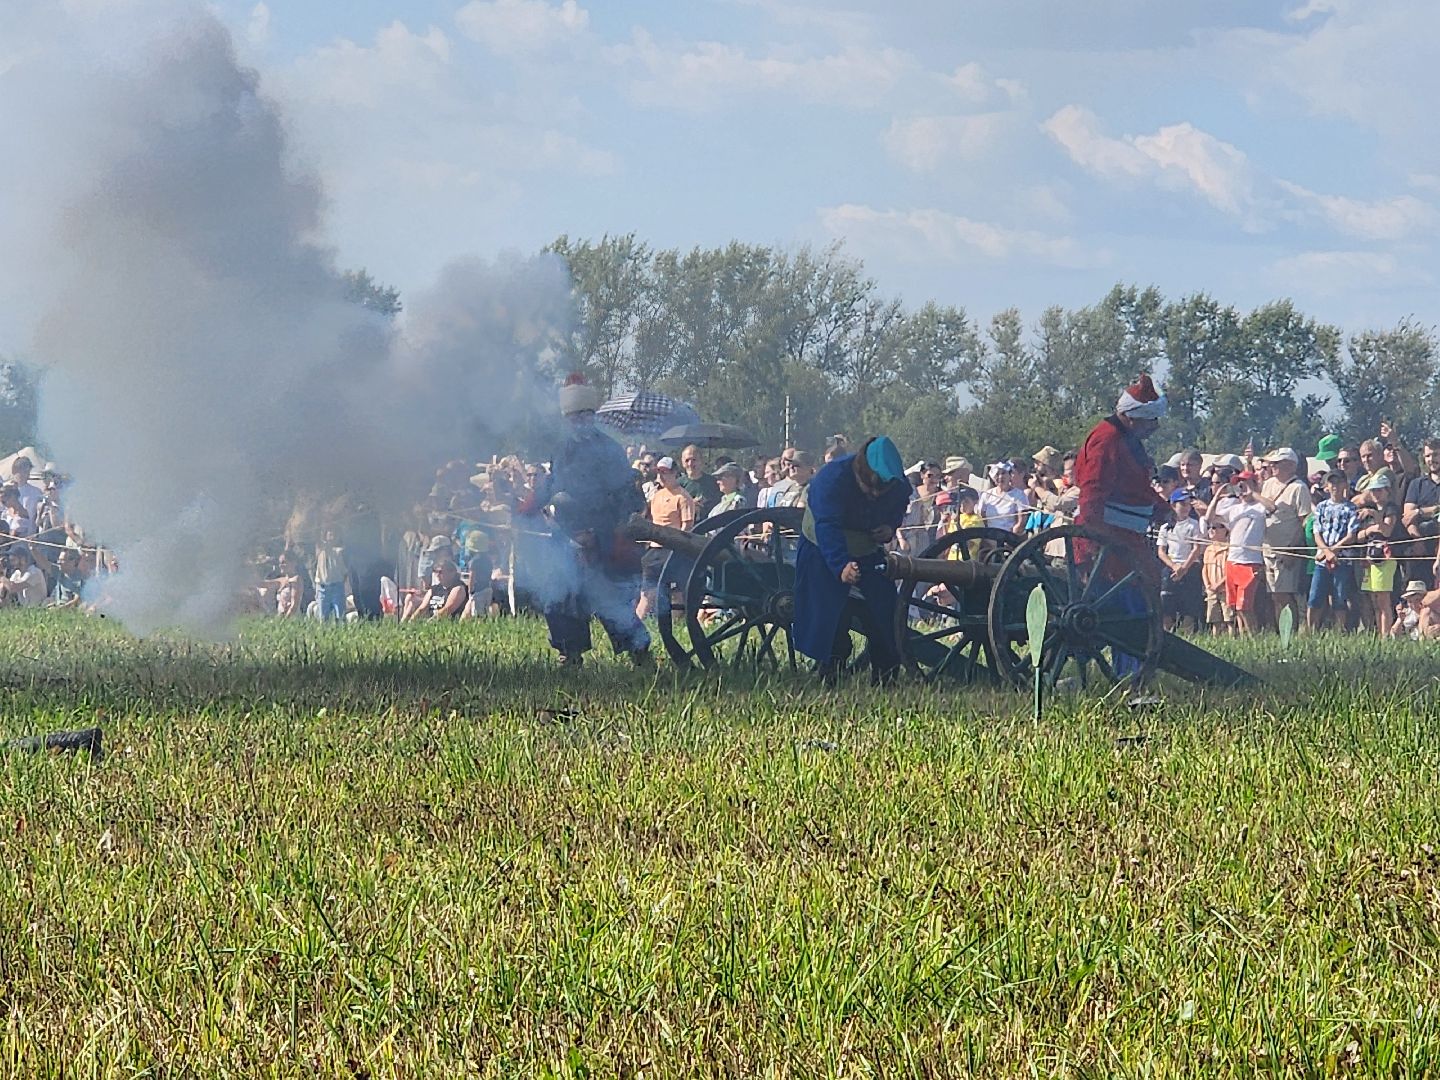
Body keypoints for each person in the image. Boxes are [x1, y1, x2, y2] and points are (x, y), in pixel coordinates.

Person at [538, 374, 652, 667]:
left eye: (585, 415)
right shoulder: (561, 449)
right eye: (575, 417)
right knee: (561, 596)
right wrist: (527, 507)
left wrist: (598, 531)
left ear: (592, 416)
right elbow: (552, 487)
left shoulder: (610, 450)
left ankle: (639, 651)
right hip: (566, 533)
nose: (580, 421)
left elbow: (625, 495)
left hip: (601, 535)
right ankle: (570, 652)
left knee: (607, 598)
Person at [1073, 374, 1172, 678]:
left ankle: (1127, 666)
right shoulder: (1106, 441)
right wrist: (1094, 542)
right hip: (1110, 544)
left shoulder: (1124, 440)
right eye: (1150, 421)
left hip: (1123, 539)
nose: (1154, 428)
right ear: (1131, 419)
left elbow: (1134, 487)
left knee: (1131, 598)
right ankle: (1130, 671)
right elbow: (1091, 493)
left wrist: (1160, 509)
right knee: (1131, 604)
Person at [792, 436, 910, 685]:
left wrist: (890, 526)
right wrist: (840, 566)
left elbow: (900, 503)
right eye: (871, 489)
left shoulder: (897, 482)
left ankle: (886, 675)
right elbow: (827, 526)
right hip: (821, 549)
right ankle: (830, 670)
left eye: (882, 490)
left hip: (867, 550)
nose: (875, 494)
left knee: (884, 610)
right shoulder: (831, 479)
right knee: (830, 614)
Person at [1257, 448, 1312, 633]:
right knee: (1274, 595)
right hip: (1268, 548)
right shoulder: (1268, 484)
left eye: (1277, 463)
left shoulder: (1299, 488)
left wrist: (1293, 550)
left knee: (1285, 594)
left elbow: (1304, 521)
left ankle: (1291, 632)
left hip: (1286, 549)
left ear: (1290, 465)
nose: (1272, 467)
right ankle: (1281, 631)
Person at [1207, 471, 1266, 635]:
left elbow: (1272, 507)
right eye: (1239, 484)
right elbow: (1209, 517)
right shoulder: (1234, 509)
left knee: (1244, 605)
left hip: (1251, 561)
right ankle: (1245, 637)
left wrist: (1253, 492)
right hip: (1233, 560)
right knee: (1235, 606)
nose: (1242, 488)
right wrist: (1217, 496)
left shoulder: (1260, 508)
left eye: (1245, 483)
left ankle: (1255, 638)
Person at [1308, 471, 1361, 632]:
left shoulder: (1351, 508)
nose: (1335, 486)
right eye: (1331, 483)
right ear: (1327, 486)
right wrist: (1326, 551)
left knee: (1340, 598)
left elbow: (1351, 535)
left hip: (1342, 560)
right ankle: (1311, 632)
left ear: (1345, 484)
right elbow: (1316, 532)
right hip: (1322, 560)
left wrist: (1333, 551)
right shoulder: (1321, 507)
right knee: (1314, 598)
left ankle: (1340, 632)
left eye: (1338, 482)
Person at [1157, 489, 1203, 631]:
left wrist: (1184, 567)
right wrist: (1174, 566)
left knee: (1189, 606)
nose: (1186, 508)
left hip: (1190, 567)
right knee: (1167, 605)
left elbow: (1196, 548)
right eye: (1182, 504)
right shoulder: (1166, 527)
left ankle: (1187, 634)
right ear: (1173, 505)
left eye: (1188, 504)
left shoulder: (1194, 524)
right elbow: (1161, 551)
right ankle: (1168, 633)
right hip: (1171, 567)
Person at [1201, 518, 1233, 636]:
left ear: (1225, 530)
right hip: (1211, 590)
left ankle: (1231, 638)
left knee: (1229, 617)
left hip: (1225, 588)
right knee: (1214, 618)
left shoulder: (1229, 548)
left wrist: (1218, 584)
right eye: (1210, 527)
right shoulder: (1208, 549)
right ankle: (1215, 638)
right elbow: (1205, 568)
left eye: (1215, 527)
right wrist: (1208, 585)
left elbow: (1230, 570)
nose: (1211, 530)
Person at [313, 527, 349, 622]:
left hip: (337, 586)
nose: (332, 537)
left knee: (340, 615)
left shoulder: (339, 551)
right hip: (322, 587)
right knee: (323, 617)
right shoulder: (320, 550)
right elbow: (318, 542)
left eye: (334, 535)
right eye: (330, 535)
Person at [677, 444, 721, 518]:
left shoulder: (713, 483)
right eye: (687, 460)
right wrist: (690, 504)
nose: (690, 464)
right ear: (682, 463)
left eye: (694, 460)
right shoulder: (677, 484)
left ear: (701, 461)